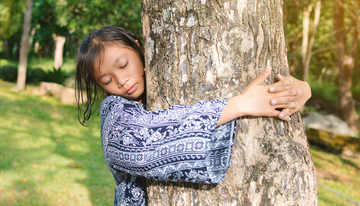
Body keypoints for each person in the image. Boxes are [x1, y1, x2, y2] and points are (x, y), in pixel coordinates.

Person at [75, 25, 311, 206]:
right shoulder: (114, 114)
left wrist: (300, 91)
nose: (121, 80)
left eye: (123, 65)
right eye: (106, 80)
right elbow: (144, 146)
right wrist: (240, 104)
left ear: (139, 48)